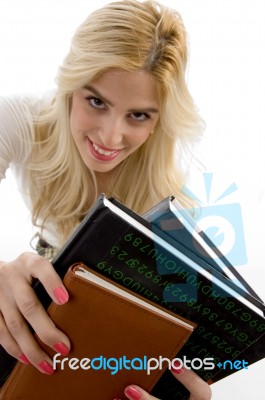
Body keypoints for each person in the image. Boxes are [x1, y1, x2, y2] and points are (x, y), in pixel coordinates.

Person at [0, 0, 211, 398]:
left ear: (160, 118)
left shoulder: (171, 206)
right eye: (96, 102)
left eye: (139, 115)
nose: (110, 139)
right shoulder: (19, 120)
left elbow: (180, 335)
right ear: (70, 86)